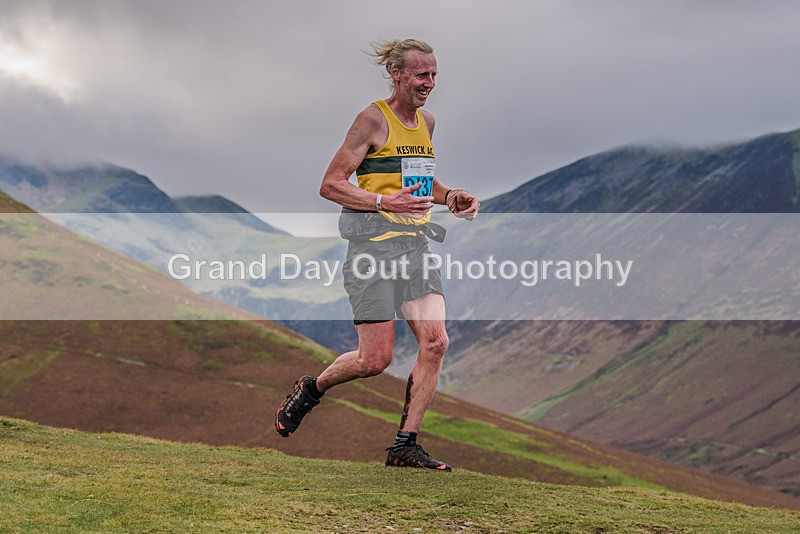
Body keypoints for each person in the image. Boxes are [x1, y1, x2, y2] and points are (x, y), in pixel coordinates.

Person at [275, 38, 479, 472]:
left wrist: (453, 196)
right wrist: (384, 204)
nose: (430, 83)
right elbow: (330, 183)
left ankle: (405, 445)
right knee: (375, 361)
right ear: (397, 74)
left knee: (435, 342)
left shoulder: (427, 123)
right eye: (422, 75)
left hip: (416, 249)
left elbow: (421, 187)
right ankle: (313, 387)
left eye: (435, 75)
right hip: (371, 252)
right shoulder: (371, 119)